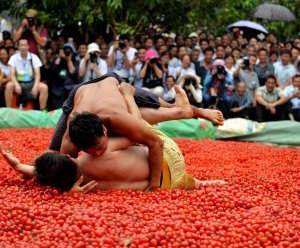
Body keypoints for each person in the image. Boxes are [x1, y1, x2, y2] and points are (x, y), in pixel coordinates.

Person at [0, 84, 225, 192]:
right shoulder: (88, 152)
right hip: (169, 160)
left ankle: (182, 112)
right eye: (91, 149)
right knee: (139, 128)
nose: (97, 153)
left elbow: (53, 170)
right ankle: (203, 181)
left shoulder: (89, 187)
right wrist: (154, 189)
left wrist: (23, 166)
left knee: (137, 126)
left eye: (97, 147)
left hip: (169, 181)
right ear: (73, 153)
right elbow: (146, 136)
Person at [5, 39, 48, 110]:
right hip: (18, 82)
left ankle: (42, 110)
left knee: (44, 87)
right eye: (21, 45)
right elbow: (12, 74)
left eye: (25, 45)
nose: (23, 47)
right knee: (9, 86)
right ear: (18, 47)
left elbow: (37, 74)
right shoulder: (13, 58)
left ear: (28, 46)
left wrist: (35, 86)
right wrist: (16, 85)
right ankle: (8, 109)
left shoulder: (34, 57)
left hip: (31, 82)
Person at [50, 43, 80, 109]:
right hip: (58, 90)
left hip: (70, 90)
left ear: (73, 53)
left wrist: (68, 60)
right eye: (66, 51)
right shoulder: (58, 61)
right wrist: (59, 57)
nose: (67, 53)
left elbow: (74, 73)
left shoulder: (75, 62)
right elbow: (52, 70)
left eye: (69, 52)